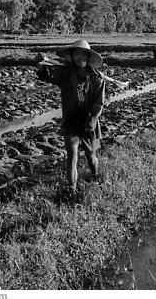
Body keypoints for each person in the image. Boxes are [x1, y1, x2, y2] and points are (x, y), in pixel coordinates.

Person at [36, 40, 105, 194]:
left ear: (88, 57)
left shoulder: (97, 78)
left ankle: (95, 175)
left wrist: (93, 120)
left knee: (91, 154)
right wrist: (40, 66)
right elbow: (48, 76)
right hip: (71, 120)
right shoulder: (65, 74)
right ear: (72, 56)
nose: (80, 56)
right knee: (72, 155)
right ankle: (72, 188)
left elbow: (99, 103)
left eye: (83, 54)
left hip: (90, 121)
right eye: (77, 53)